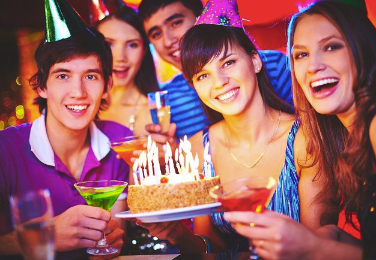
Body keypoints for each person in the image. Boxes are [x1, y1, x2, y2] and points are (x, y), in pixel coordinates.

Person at [135, 0, 334, 254]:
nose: (220, 82)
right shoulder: (198, 149)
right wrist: (177, 233)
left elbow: (320, 248)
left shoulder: (306, 140)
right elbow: (210, 250)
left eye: (228, 62)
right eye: (203, 75)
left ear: (255, 61)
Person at [224, 1, 376, 259]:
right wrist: (331, 236)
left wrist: (315, 247)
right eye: (301, 55)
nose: (313, 65)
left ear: (363, 49)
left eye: (331, 47)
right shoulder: (345, 137)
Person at [0, 0, 131, 258]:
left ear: (107, 85)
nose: (78, 92)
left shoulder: (119, 141)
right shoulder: (5, 150)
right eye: (63, 75)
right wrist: (44, 235)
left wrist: (112, 241)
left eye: (91, 76)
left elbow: (112, 245)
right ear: (41, 87)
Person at [138, 0, 293, 143]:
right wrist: (172, 155)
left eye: (176, 23)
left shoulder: (276, 65)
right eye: (156, 34)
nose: (168, 40)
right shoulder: (167, 103)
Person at [95, 6, 160, 136]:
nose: (120, 57)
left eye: (132, 45)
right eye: (108, 44)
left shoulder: (154, 114)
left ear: (144, 51)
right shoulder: (77, 103)